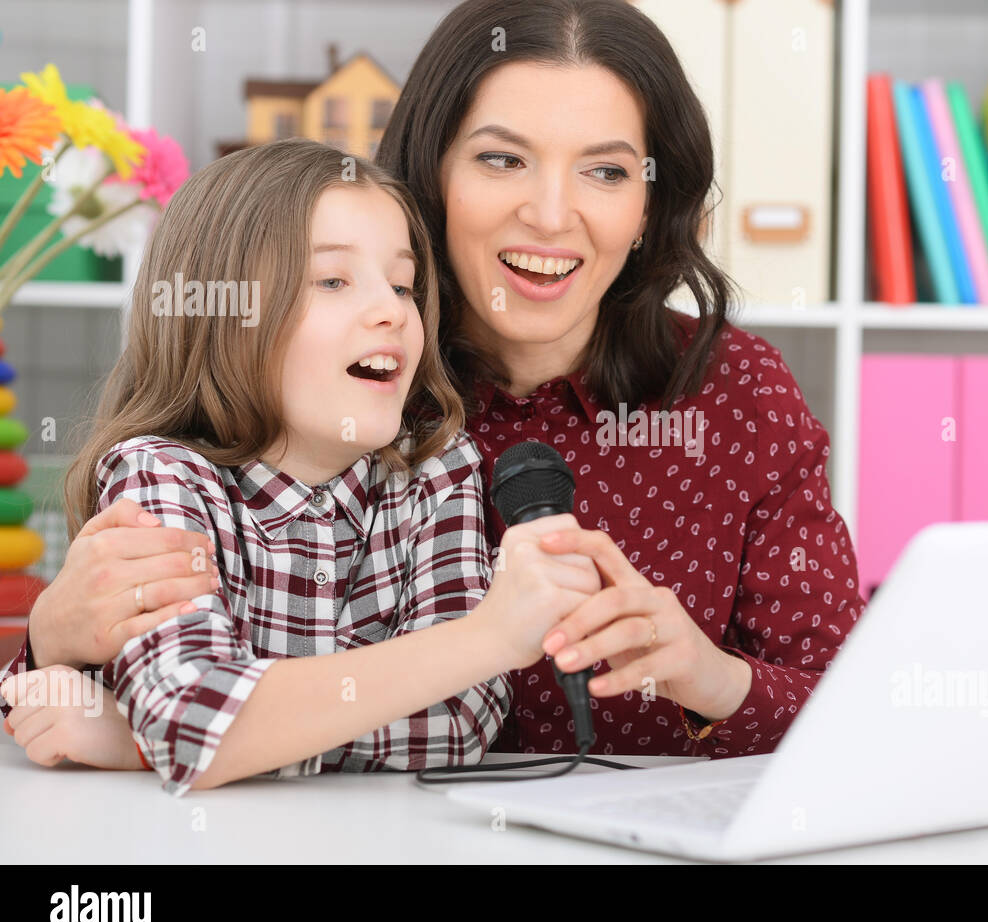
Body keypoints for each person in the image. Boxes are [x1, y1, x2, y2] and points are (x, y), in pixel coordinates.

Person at [14, 0, 864, 762]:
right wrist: (52, 643)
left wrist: (713, 680)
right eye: (503, 160)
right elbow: (101, 703)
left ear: (650, 206)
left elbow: (852, 708)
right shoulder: (360, 400)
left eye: (606, 171)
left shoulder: (734, 393)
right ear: (433, 175)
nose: (550, 213)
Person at [0, 139, 600, 795]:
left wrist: (147, 737)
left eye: (402, 284)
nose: (391, 310)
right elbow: (193, 717)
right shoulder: (161, 477)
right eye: (332, 280)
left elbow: (458, 720)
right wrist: (487, 639)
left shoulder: (435, 468)